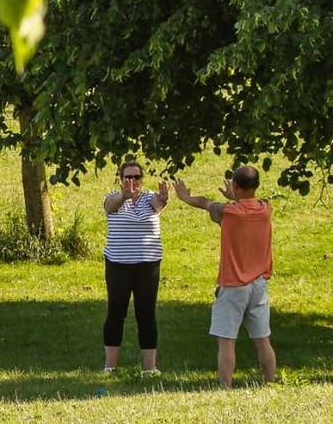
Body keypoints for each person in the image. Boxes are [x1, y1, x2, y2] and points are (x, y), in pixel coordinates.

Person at [173, 166, 276, 388]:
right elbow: (246, 203)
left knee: (226, 340)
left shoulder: (229, 212)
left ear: (236, 185)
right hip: (259, 284)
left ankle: (225, 387)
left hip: (233, 285)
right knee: (262, 339)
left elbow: (205, 203)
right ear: (257, 185)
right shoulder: (265, 208)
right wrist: (236, 196)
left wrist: (185, 197)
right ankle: (271, 383)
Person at [102, 162, 169, 375]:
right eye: (128, 177)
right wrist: (124, 196)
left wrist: (163, 197)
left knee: (146, 313)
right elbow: (109, 207)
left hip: (147, 266)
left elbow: (158, 204)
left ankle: (150, 368)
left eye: (136, 177)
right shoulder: (113, 198)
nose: (132, 181)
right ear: (120, 179)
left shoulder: (148, 198)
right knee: (116, 312)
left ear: (142, 179)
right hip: (118, 265)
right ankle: (110, 366)